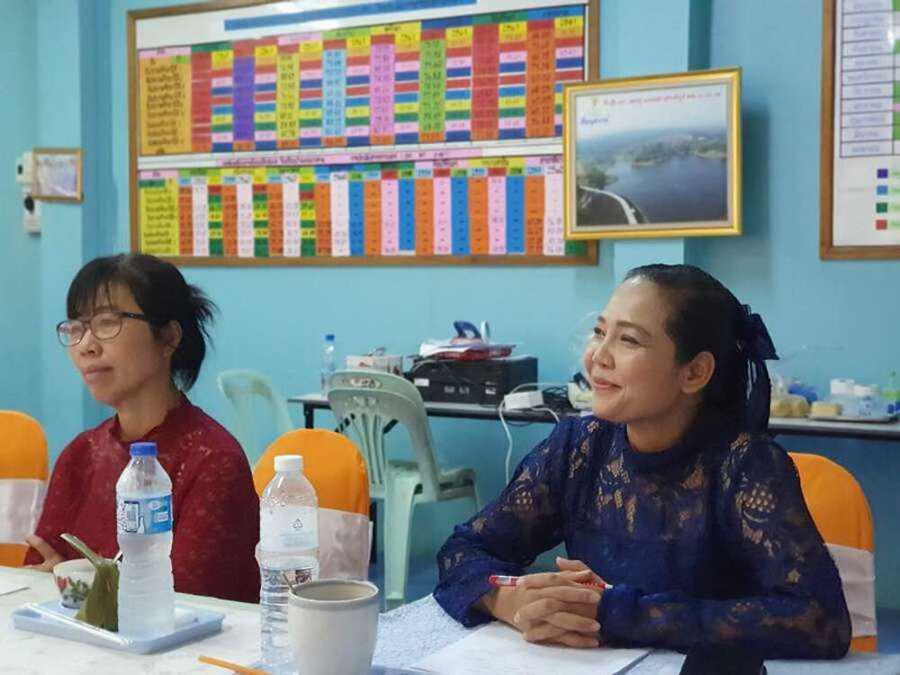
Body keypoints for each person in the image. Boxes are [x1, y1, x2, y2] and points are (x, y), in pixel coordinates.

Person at [434, 264, 851, 659]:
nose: (598, 356)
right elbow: (464, 549)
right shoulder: (579, 448)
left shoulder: (745, 466)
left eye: (629, 340)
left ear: (694, 372)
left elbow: (820, 620)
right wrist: (509, 600)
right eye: (600, 332)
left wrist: (618, 612)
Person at [25, 254, 260, 603]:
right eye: (76, 328)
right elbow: (41, 571)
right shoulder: (80, 454)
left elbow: (190, 603)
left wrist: (83, 589)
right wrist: (48, 582)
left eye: (107, 323)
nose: (86, 346)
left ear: (168, 337)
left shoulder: (213, 460)